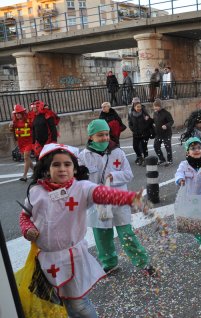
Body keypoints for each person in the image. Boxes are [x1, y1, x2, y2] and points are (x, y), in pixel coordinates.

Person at [18, 143, 144, 318]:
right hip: (47, 260)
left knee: (78, 303)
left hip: (72, 258)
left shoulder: (81, 188)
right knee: (61, 302)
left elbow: (101, 193)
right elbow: (25, 216)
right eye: (56, 164)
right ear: (45, 169)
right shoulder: (35, 191)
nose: (62, 169)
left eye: (67, 164)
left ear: (75, 169)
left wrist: (130, 198)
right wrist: (28, 229)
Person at [78, 119, 154, 276]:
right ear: (91, 137)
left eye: (107, 134)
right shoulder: (83, 157)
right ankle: (109, 264)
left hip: (118, 201)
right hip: (97, 202)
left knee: (127, 234)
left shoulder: (117, 152)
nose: (105, 138)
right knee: (102, 236)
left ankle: (143, 263)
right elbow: (79, 182)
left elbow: (128, 174)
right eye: (100, 135)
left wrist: (114, 176)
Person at [175, 137, 201, 258]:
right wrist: (180, 179)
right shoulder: (184, 165)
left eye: (199, 147)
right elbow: (178, 174)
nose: (197, 150)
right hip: (189, 199)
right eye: (193, 148)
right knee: (192, 223)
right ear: (187, 152)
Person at [10, 104, 34, 181]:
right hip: (21, 142)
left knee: (26, 157)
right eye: (16, 113)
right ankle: (35, 171)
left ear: (22, 113)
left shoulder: (28, 120)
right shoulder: (14, 122)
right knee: (27, 158)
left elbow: (34, 128)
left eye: (19, 113)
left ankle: (24, 175)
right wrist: (10, 127)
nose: (17, 115)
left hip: (29, 142)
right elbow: (12, 131)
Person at [128, 97, 153, 166]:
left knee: (144, 146)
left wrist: (148, 119)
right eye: (137, 107)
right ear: (134, 107)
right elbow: (130, 123)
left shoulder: (144, 113)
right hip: (136, 133)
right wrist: (132, 129)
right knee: (135, 146)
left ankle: (146, 159)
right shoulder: (131, 113)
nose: (139, 108)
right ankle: (139, 157)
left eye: (140, 107)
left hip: (144, 133)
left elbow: (150, 122)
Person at [152, 98, 174, 166]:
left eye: (157, 106)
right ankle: (162, 159)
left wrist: (166, 125)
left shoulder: (166, 113)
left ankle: (170, 160)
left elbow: (171, 121)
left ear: (161, 106)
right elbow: (154, 121)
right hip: (158, 134)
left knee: (167, 147)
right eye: (155, 106)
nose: (156, 107)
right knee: (156, 146)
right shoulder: (155, 113)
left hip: (166, 134)